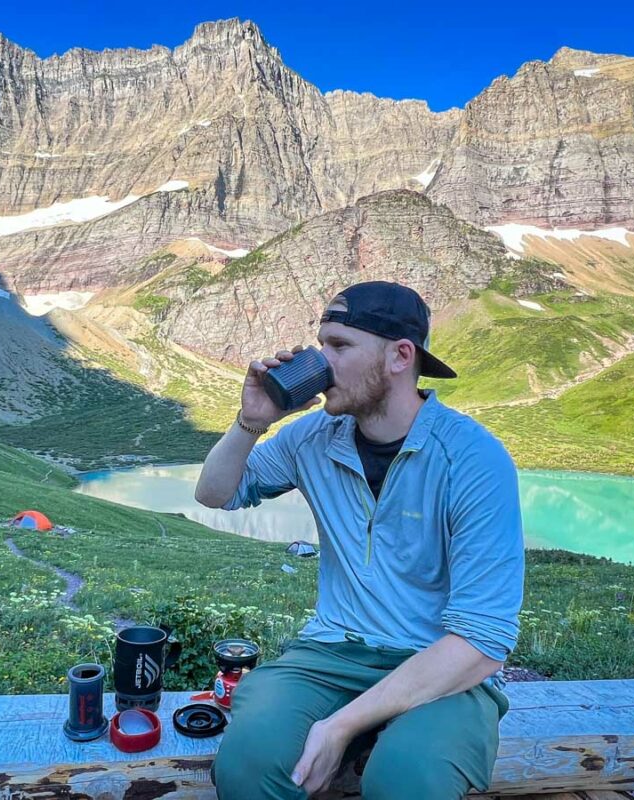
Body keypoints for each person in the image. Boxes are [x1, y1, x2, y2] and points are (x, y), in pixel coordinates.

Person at [195, 281, 524, 800]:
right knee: (247, 766)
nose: (320, 363)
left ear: (399, 356)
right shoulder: (312, 438)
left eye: (339, 346)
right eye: (321, 343)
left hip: (441, 666)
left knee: (407, 781)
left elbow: (483, 642)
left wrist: (341, 725)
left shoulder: (472, 458)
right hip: (331, 652)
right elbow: (216, 494)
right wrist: (249, 423)